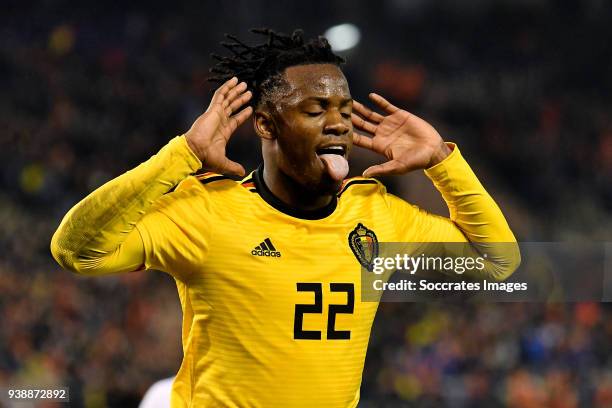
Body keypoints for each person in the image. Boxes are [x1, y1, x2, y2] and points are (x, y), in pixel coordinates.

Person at [50, 28, 520, 407]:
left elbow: (498, 262)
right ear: (266, 125)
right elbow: (77, 251)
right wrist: (183, 155)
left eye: (343, 110)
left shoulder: (376, 215)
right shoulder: (209, 212)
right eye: (316, 109)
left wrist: (442, 161)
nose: (338, 123)